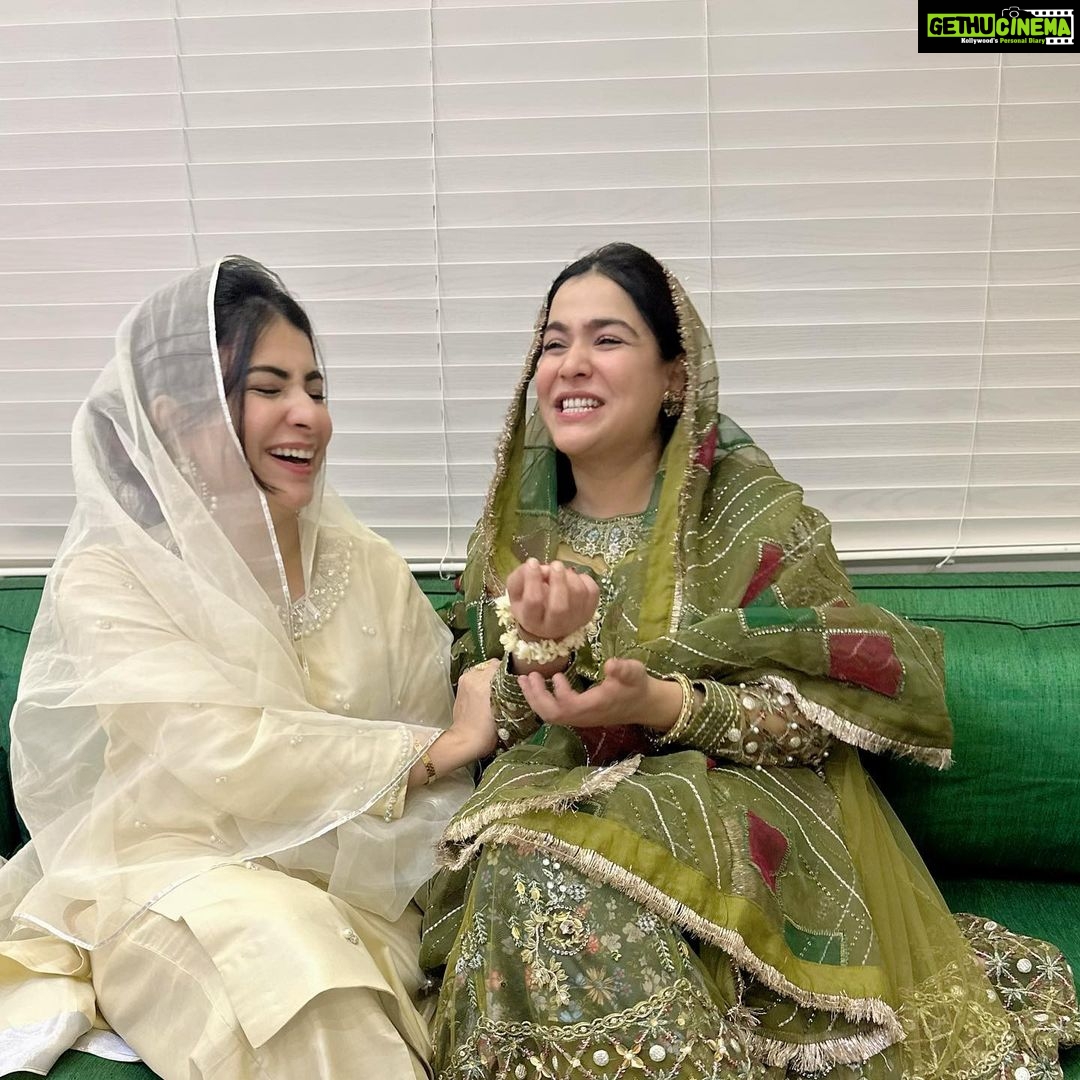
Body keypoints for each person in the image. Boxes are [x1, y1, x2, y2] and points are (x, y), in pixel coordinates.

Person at [420, 243, 1079, 1079]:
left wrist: (662, 704)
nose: (570, 363)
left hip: (741, 813)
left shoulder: (754, 520)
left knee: (548, 860)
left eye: (607, 339)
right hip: (559, 807)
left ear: (674, 377)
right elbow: (492, 711)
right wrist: (547, 658)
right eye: (553, 342)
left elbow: (822, 718)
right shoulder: (511, 539)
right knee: (528, 858)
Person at [0, 256, 497, 1079]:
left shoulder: (369, 565)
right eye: (270, 388)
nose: (309, 415)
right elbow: (226, 751)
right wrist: (435, 749)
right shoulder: (114, 576)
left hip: (363, 893)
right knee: (299, 977)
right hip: (173, 884)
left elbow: (435, 758)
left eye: (316, 388)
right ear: (175, 418)